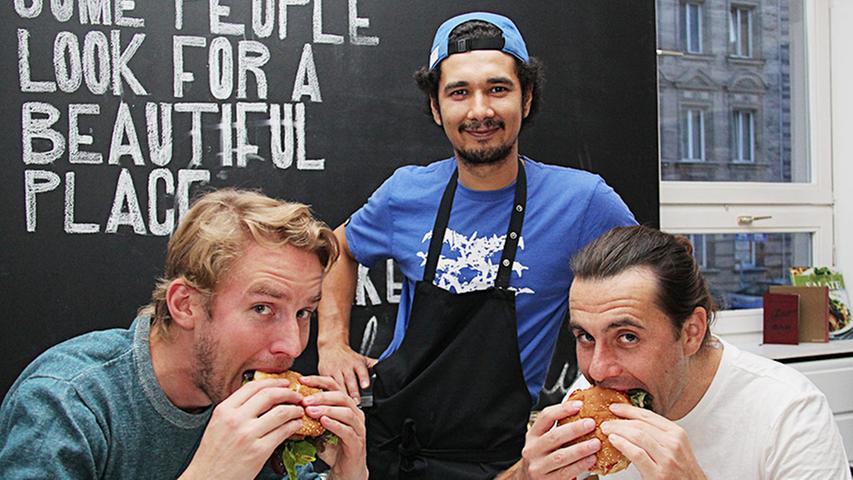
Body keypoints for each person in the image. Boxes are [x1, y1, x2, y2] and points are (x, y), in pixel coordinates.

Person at [316, 11, 636, 479]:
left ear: (526, 99)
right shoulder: (404, 192)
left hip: (505, 459)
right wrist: (331, 343)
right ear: (435, 107)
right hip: (391, 445)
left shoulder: (583, 201)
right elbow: (338, 250)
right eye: (459, 92)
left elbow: (651, 278)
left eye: (498, 89)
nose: (479, 110)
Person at [0, 189, 368, 480]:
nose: (291, 345)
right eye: (262, 309)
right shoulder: (68, 401)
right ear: (186, 305)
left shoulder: (248, 397)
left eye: (304, 312)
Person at [500, 225, 852, 479]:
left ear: (691, 332)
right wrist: (527, 476)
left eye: (627, 337)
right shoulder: (593, 389)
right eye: (585, 337)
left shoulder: (789, 412)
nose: (598, 369)